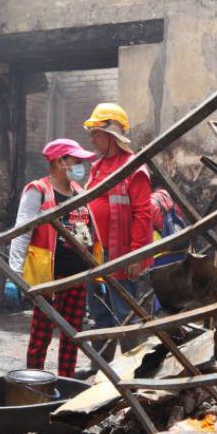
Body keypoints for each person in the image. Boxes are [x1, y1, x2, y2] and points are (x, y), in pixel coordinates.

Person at [6, 139, 100, 377]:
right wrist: (14, 273)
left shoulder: (79, 191)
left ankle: (66, 381)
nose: (81, 166)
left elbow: (90, 233)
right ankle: (33, 383)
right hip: (49, 276)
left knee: (72, 333)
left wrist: (99, 275)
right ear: (60, 162)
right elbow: (21, 231)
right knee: (42, 333)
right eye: (76, 161)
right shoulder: (38, 190)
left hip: (78, 275)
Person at [82, 103, 153, 333]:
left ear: (111, 134)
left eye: (96, 134)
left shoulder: (134, 168)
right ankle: (100, 368)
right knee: (98, 313)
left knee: (125, 315)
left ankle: (128, 369)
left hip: (121, 255)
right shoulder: (97, 168)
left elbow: (143, 213)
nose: (92, 141)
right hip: (95, 253)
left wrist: (136, 255)